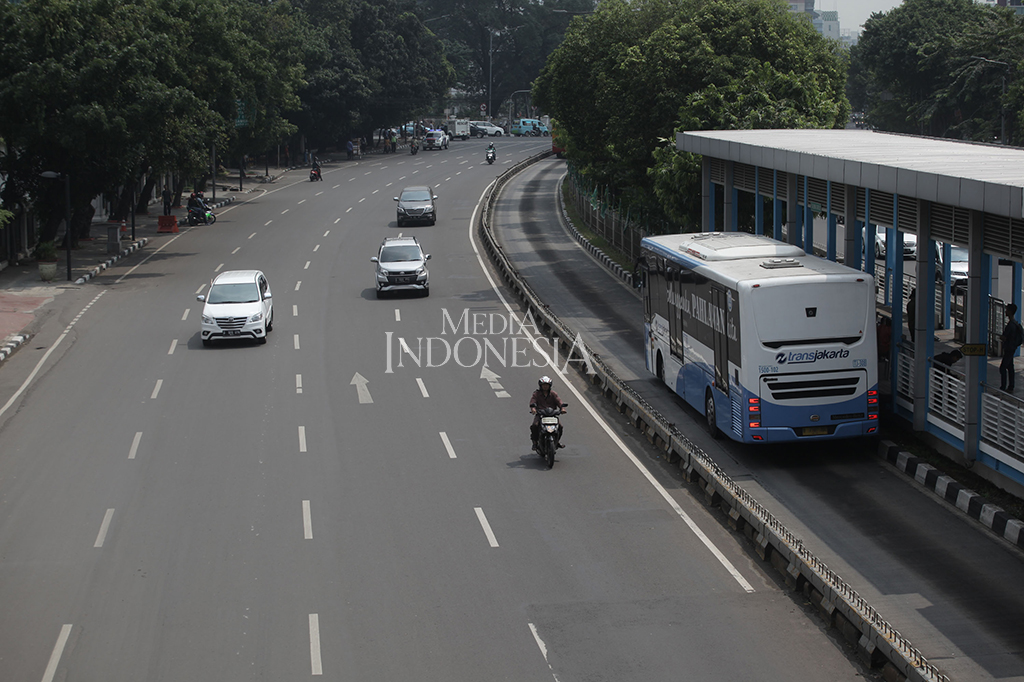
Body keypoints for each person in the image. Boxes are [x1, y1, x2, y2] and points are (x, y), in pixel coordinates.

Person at [530, 375, 566, 451]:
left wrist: (562, 408)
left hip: (552, 415)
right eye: (544, 385)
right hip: (541, 415)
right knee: (534, 425)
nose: (545, 387)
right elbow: (532, 402)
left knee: (560, 426)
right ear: (541, 386)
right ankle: (535, 442)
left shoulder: (553, 394)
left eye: (547, 385)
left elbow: (559, 401)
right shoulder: (536, 394)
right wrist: (533, 409)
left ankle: (557, 441)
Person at [1000, 303, 1023, 392]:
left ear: (1010, 312)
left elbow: (1006, 337)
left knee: (1003, 368)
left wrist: (1002, 338)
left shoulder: (1010, 325)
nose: (1006, 311)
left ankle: (1003, 386)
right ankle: (1011, 386)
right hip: (1012, 348)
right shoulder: (1015, 323)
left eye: (1007, 310)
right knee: (1010, 367)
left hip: (1009, 348)